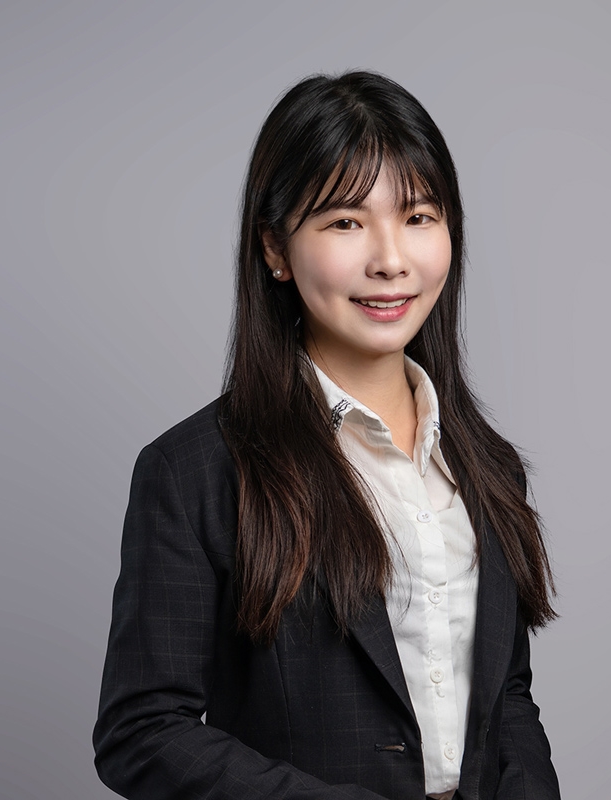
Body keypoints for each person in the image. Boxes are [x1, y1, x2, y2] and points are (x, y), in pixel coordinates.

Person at [93, 70, 560, 800]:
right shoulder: (195, 473)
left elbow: (507, 698)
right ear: (275, 249)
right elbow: (142, 731)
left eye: (419, 216)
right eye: (346, 222)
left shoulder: (488, 465)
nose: (391, 259)